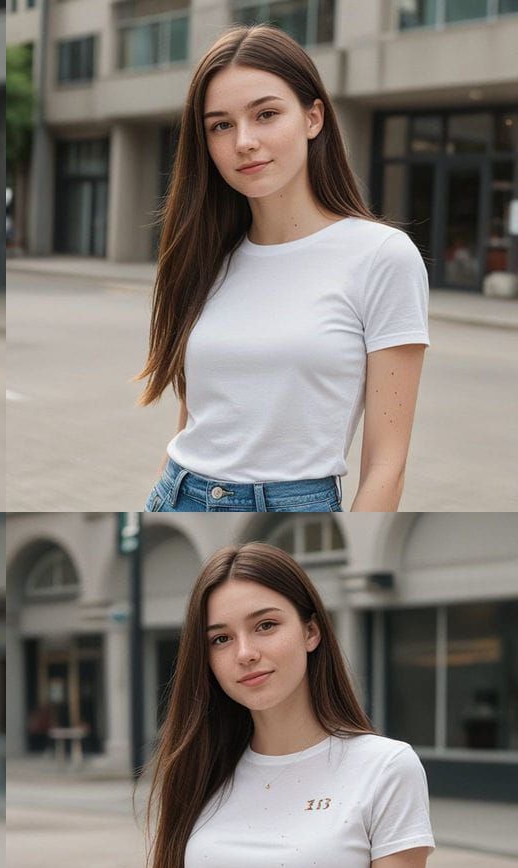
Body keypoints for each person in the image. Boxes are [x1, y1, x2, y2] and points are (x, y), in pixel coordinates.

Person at [123, 543, 434, 868]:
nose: (245, 653)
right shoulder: (202, 765)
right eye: (220, 639)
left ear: (311, 631)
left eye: (266, 625)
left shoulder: (385, 768)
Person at [137, 26, 429, 512]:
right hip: (177, 495)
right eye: (221, 125)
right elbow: (195, 423)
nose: (244, 142)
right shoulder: (206, 255)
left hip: (294, 509)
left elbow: (387, 467)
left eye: (266, 114)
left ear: (313, 118)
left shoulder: (381, 256)